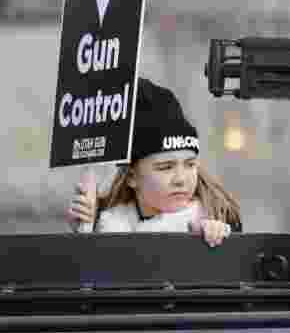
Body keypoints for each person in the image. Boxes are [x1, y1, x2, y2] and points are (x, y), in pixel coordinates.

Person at [66, 78, 242, 247]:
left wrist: (215, 242)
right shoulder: (108, 223)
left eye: (190, 164)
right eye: (166, 167)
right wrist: (85, 235)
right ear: (132, 177)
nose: (181, 179)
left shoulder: (213, 220)